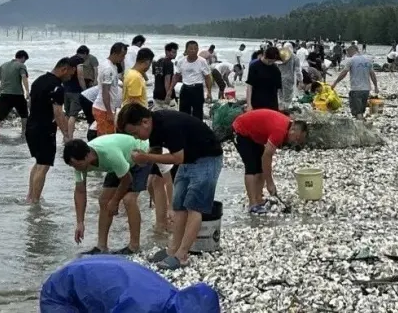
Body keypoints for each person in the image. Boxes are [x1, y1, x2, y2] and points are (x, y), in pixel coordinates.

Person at [118, 104, 223, 270]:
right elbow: (156, 150)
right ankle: (172, 250)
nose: (136, 137)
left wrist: (145, 157)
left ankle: (182, 255)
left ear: (145, 122)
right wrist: (141, 162)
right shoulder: (154, 125)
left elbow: (177, 158)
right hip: (189, 160)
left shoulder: (169, 125)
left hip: (208, 158)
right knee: (179, 205)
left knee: (194, 207)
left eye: (135, 133)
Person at [63, 133, 152, 255]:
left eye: (78, 165)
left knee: (128, 200)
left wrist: (115, 201)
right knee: (104, 200)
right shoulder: (78, 163)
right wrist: (80, 222)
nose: (77, 169)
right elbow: (80, 191)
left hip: (139, 156)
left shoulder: (109, 153)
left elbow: (127, 179)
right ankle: (102, 247)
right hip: (119, 164)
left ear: (88, 156)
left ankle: (134, 246)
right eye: (73, 166)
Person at [232, 109, 308, 214]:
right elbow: (266, 157)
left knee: (259, 166)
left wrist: (268, 180)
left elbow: (264, 161)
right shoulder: (279, 131)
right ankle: (252, 204)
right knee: (252, 167)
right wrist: (270, 183)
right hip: (240, 130)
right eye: (297, 138)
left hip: (254, 134)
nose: (296, 142)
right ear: (293, 130)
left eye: (299, 141)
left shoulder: (288, 125)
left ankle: (259, 198)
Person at [26, 58, 75, 204]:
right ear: (64, 69)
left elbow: (30, 103)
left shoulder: (39, 80)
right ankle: (35, 202)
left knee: (38, 163)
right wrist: (66, 134)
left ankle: (30, 196)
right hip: (45, 129)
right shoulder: (57, 87)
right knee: (44, 165)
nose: (70, 77)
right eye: (70, 74)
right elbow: (58, 113)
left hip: (31, 126)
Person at [331, 45, 378, 119]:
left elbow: (344, 73)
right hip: (366, 90)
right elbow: (372, 74)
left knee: (357, 112)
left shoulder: (351, 60)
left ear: (351, 50)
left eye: (348, 52)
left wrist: (335, 82)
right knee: (361, 111)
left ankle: (361, 127)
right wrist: (376, 86)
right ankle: (362, 124)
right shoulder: (368, 60)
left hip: (356, 90)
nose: (347, 54)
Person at [171, 41, 212, 120]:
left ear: (198, 50)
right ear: (186, 50)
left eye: (195, 49)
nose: (193, 50)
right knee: (183, 114)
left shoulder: (202, 61)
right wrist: (170, 90)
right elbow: (176, 76)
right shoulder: (181, 61)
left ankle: (197, 131)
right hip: (185, 89)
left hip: (197, 89)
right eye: (191, 49)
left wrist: (209, 92)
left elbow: (208, 77)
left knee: (198, 113)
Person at [0, 50, 30, 135]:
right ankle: (23, 132)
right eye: (25, 59)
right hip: (17, 95)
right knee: (24, 114)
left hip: (4, 94)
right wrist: (27, 91)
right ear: (23, 57)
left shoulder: (3, 66)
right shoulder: (21, 66)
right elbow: (24, 78)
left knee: (0, 114)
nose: (24, 61)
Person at [93, 43, 126, 137]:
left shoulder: (113, 66)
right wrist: (109, 112)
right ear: (115, 54)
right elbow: (105, 91)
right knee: (104, 137)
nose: (123, 58)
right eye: (122, 56)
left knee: (109, 135)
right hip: (103, 108)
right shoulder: (108, 68)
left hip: (107, 107)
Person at [64, 46, 91, 139]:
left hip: (66, 90)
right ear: (85, 54)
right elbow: (80, 76)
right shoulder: (79, 61)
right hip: (75, 91)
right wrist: (85, 90)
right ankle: (70, 137)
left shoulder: (69, 60)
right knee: (73, 115)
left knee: (67, 114)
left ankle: (65, 136)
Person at [246, 46, 282, 111]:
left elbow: (278, 89)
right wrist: (249, 104)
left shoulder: (276, 70)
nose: (270, 63)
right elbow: (249, 85)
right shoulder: (254, 66)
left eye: (273, 61)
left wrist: (280, 104)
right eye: (269, 61)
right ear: (264, 55)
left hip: (272, 103)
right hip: (256, 102)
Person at [152, 43, 178, 110]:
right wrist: (168, 95)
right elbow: (167, 80)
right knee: (172, 116)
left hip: (156, 94)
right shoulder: (169, 63)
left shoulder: (157, 62)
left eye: (176, 52)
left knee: (159, 117)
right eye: (173, 52)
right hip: (165, 95)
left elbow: (156, 77)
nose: (175, 54)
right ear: (167, 52)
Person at [276, 44, 302, 110]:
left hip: (278, 78)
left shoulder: (280, 55)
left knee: (280, 97)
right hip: (288, 79)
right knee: (287, 98)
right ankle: (286, 112)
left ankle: (280, 111)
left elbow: (275, 67)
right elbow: (298, 70)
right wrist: (300, 80)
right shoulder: (295, 57)